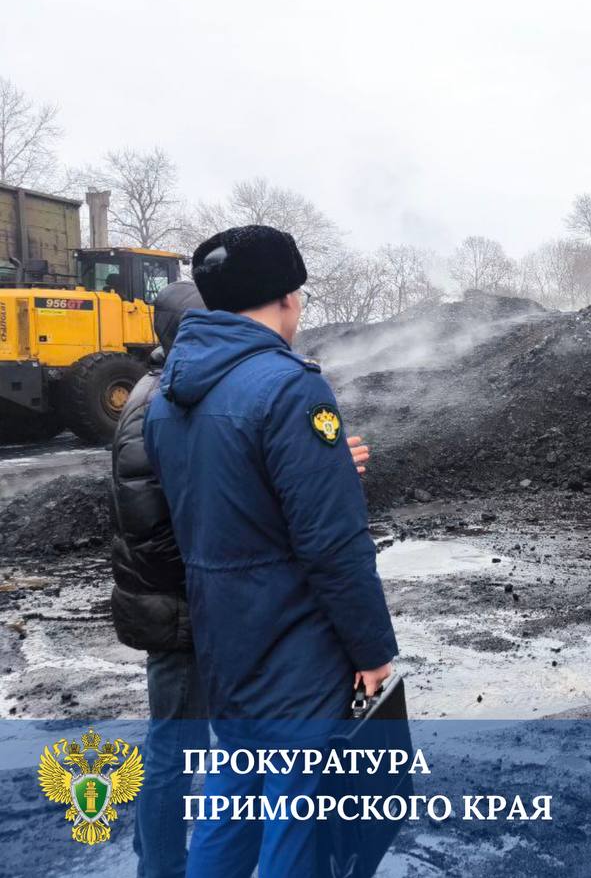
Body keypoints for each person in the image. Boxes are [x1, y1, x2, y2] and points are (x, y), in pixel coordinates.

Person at [143, 225, 398, 877]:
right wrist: (371, 651)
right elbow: (333, 544)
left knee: (233, 796)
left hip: (224, 636)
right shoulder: (291, 388)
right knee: (299, 815)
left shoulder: (170, 396)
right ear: (287, 297)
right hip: (294, 641)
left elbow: (222, 500)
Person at [110, 280, 208, 878]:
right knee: (174, 749)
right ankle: (163, 868)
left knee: (178, 743)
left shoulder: (159, 389)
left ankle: (159, 857)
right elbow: (154, 532)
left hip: (169, 605)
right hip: (176, 611)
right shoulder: (159, 403)